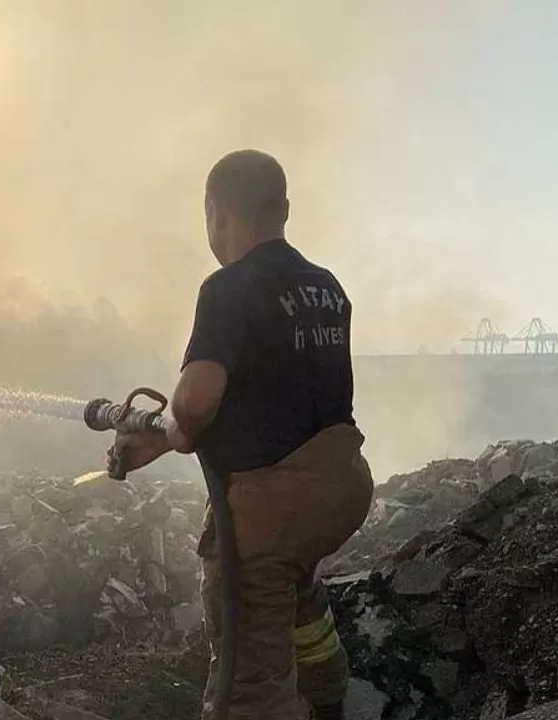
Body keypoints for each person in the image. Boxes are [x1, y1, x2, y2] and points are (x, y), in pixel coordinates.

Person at [106, 149, 374, 720]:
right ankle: (329, 695)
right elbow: (272, 397)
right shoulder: (326, 287)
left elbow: (196, 400)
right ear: (283, 210)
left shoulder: (227, 288)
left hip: (271, 514)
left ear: (215, 212)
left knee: (245, 680)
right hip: (340, 491)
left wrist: (170, 424)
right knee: (292, 584)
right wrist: (161, 438)